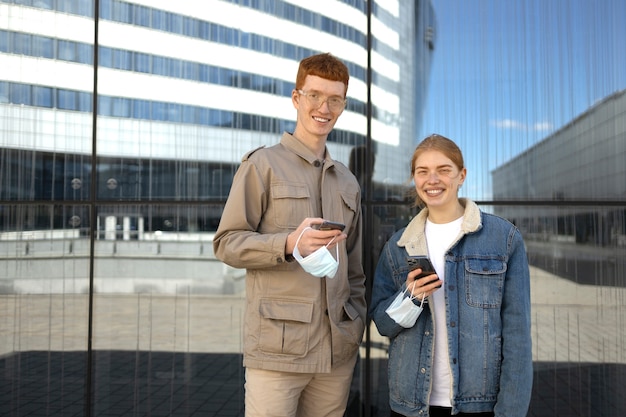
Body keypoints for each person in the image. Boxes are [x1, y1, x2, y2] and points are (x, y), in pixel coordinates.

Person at [213, 53, 366, 417]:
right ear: (297, 98)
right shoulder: (261, 165)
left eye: (334, 99)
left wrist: (355, 319)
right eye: (314, 95)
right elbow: (226, 242)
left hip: (336, 352)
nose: (323, 107)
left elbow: (355, 269)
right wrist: (286, 243)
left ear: (343, 106)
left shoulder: (347, 181)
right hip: (278, 352)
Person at [369, 134, 532, 417]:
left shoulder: (503, 239)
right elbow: (383, 324)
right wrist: (410, 298)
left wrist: (511, 411)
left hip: (479, 404)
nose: (432, 180)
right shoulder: (398, 246)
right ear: (414, 179)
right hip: (412, 405)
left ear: (462, 175)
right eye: (423, 172)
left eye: (443, 170)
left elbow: (518, 337)